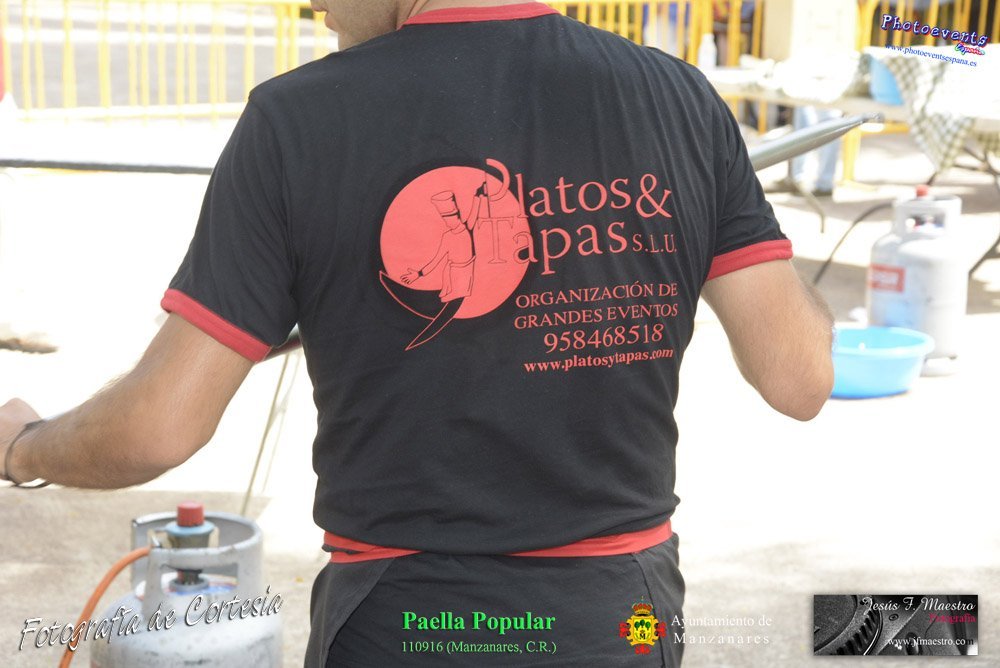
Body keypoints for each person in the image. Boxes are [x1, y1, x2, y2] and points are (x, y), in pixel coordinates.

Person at [0, 1, 835, 665]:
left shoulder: (298, 120)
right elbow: (800, 375)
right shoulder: (679, 100)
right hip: (622, 618)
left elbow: (158, 426)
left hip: (407, 621)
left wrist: (24, 446)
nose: (312, 4)